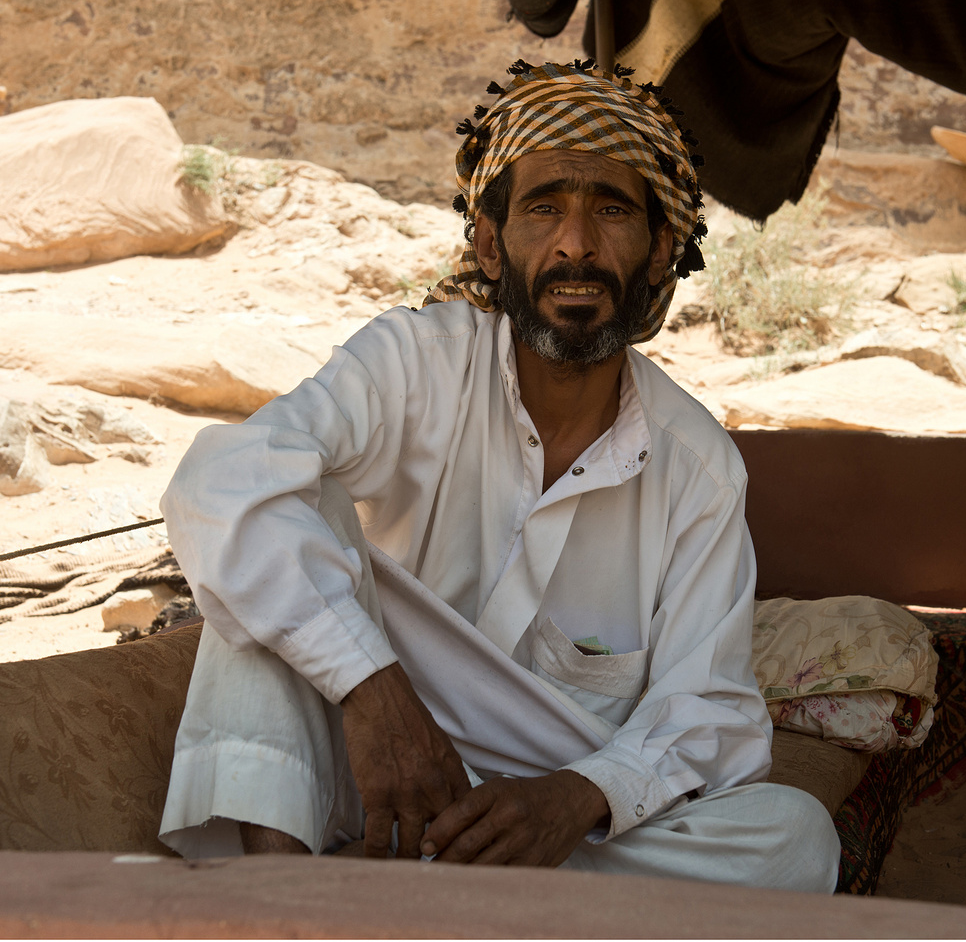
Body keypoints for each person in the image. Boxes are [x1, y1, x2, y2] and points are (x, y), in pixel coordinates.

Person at [158, 59, 841, 890]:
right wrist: (373, 693)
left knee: (792, 838)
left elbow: (711, 713)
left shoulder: (695, 466)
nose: (576, 245)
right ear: (490, 240)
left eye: (612, 210)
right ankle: (291, 908)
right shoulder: (414, 362)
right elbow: (220, 484)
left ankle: (411, 903)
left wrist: (573, 798)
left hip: (550, 823)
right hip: (367, 770)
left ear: (661, 249)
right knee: (280, 526)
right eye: (545, 206)